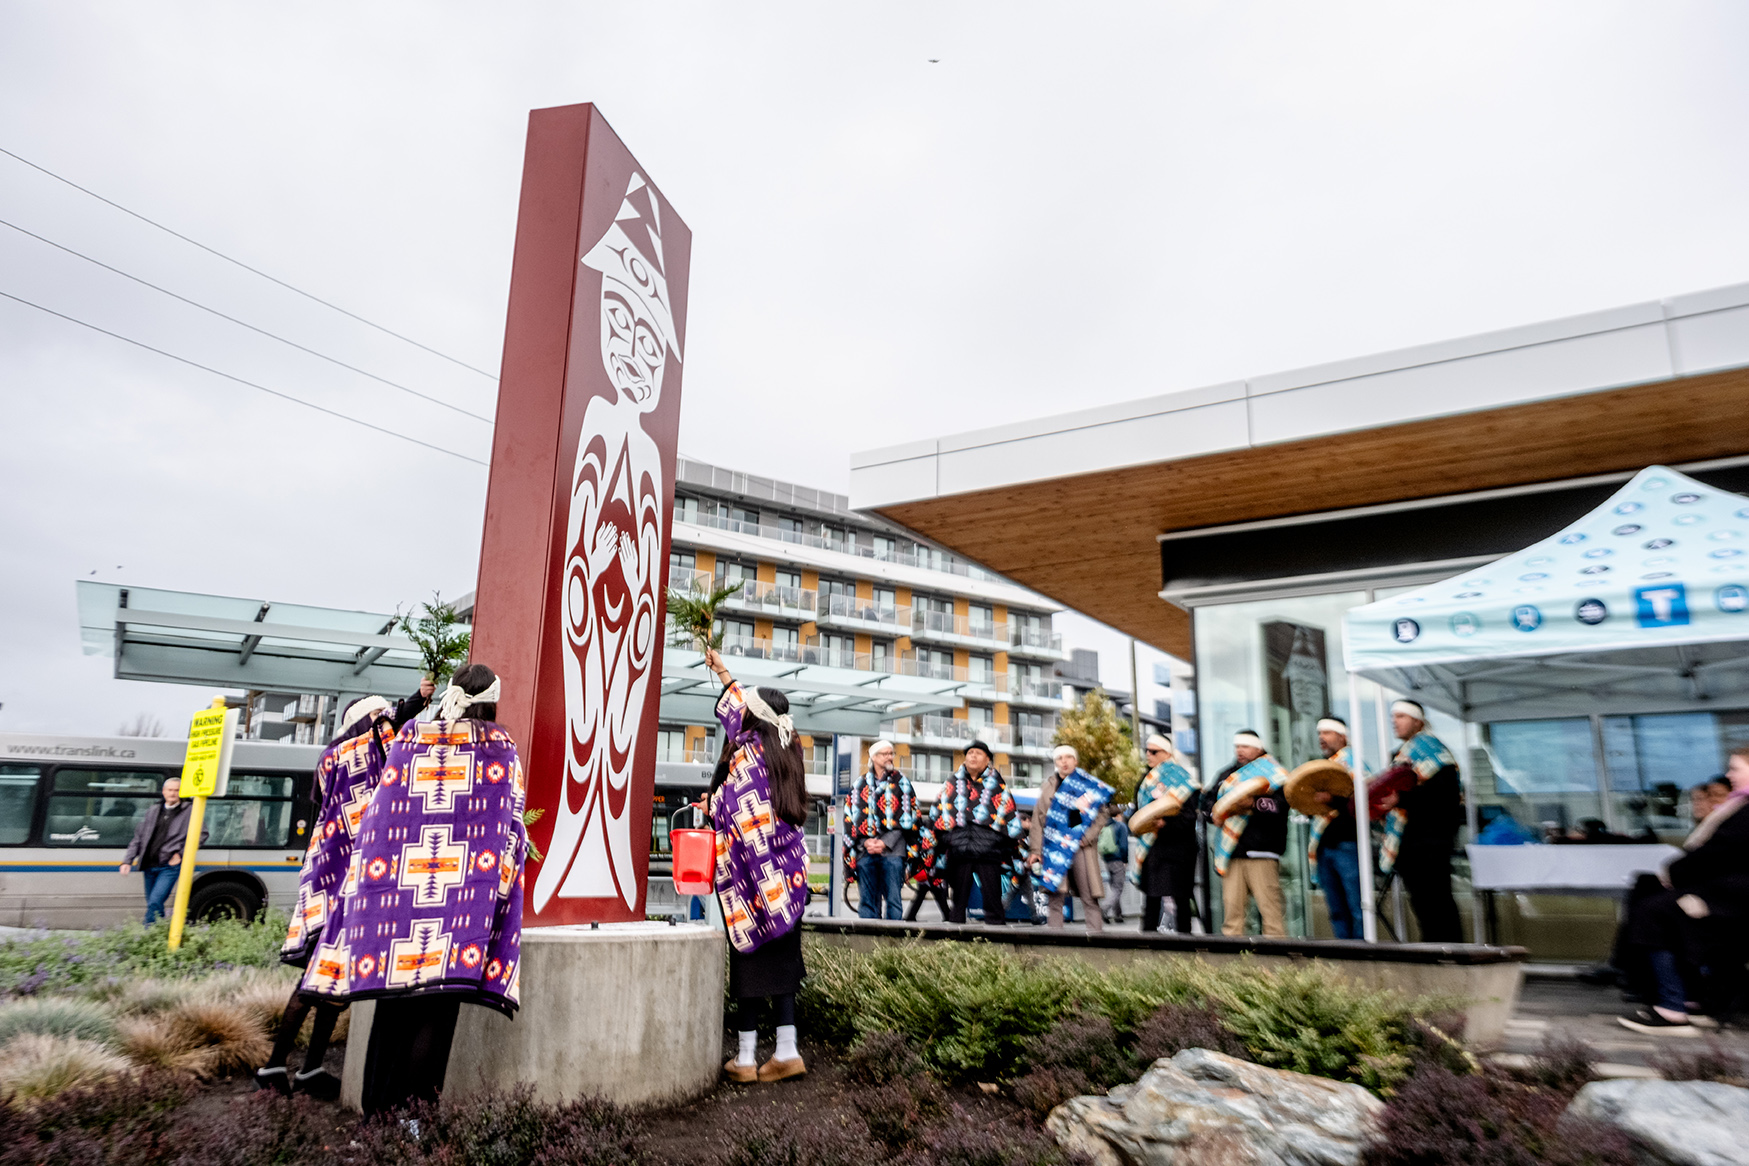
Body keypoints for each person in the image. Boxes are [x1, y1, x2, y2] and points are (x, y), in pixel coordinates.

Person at [300, 663, 528, 1115]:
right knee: (435, 1020)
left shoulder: (409, 743)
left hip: (398, 915)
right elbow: (510, 834)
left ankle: (376, 1116)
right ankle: (414, 1121)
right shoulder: (500, 751)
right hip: (459, 916)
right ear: (491, 703)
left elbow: (379, 822)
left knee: (391, 1014)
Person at [259, 681, 432, 1098]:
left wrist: (417, 700)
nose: (386, 722)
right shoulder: (356, 752)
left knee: (334, 980)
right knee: (316, 982)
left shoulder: (333, 758)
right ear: (367, 723)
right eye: (379, 717)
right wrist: (417, 702)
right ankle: (273, 1067)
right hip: (338, 880)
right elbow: (392, 730)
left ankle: (309, 1070)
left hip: (330, 874)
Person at [703, 648, 812, 1083]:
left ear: (754, 718)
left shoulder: (748, 757)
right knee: (783, 961)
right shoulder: (787, 745)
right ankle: (787, 1050)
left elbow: (734, 815)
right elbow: (742, 709)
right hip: (788, 875)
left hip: (753, 879)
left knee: (747, 958)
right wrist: (723, 670)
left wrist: (712, 804)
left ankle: (746, 1058)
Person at [1619, 752, 1749, 1036]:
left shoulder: (1744, 811)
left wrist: (1675, 873)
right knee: (1658, 903)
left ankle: (1671, 1006)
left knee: (1653, 911)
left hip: (1734, 900)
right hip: (1729, 894)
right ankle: (1695, 997)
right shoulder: (1740, 806)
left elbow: (1718, 852)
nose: (1728, 775)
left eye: (1735, 768)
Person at [1375, 700, 1465, 943]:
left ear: (1418, 721)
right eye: (1393, 716)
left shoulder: (1434, 752)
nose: (1395, 721)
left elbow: (1444, 797)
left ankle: (1449, 955)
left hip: (1431, 841)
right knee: (1423, 907)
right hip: (1410, 842)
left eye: (1402, 716)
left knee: (1438, 903)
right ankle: (1433, 956)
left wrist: (1402, 798)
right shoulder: (1401, 755)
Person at [1208, 730, 1290, 937]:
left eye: (1245, 746)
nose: (1239, 751)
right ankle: (1235, 963)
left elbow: (1282, 805)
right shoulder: (1226, 776)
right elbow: (1208, 801)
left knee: (1270, 912)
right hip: (1233, 852)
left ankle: (1278, 962)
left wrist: (1253, 804)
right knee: (1232, 914)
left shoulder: (1274, 773)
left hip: (1262, 851)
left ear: (1258, 748)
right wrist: (1213, 815)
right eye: (1237, 746)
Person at [935, 741, 1022, 925]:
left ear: (987, 759)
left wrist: (995, 841)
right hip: (960, 850)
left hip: (989, 852)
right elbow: (938, 816)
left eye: (978, 753)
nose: (973, 756)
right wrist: (951, 839)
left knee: (993, 903)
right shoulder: (951, 783)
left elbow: (1009, 819)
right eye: (970, 753)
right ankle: (955, 946)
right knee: (957, 904)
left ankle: (997, 944)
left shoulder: (998, 786)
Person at [1028, 746, 1113, 932]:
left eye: (1068, 757)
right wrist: (1035, 850)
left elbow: (1102, 813)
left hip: (1081, 846)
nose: (1064, 761)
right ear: (1055, 762)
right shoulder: (1048, 785)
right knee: (1055, 897)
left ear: (1075, 760)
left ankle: (1096, 940)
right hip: (1053, 847)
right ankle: (1055, 943)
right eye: (1059, 758)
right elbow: (1037, 819)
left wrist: (1088, 837)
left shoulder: (1087, 783)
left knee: (1089, 896)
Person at [1130, 734, 1202, 934]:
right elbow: (1137, 814)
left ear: (1167, 753)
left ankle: (1185, 945)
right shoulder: (1146, 781)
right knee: (1151, 899)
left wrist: (1165, 823)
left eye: (1154, 751)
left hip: (1179, 849)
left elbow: (1189, 817)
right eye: (1147, 750)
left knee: (1181, 899)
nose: (1148, 755)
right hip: (1153, 848)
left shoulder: (1184, 780)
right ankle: (1148, 943)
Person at [1306, 717, 1366, 940]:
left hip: (1348, 844)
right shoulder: (1322, 768)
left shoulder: (1353, 763)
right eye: (1320, 733)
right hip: (1325, 846)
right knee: (1337, 909)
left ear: (1342, 736)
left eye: (1328, 733)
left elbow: (1363, 798)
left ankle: (1362, 953)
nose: (1322, 738)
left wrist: (1333, 799)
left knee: (1356, 905)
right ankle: (1344, 953)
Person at [842, 740, 914, 921]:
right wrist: (865, 842)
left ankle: (892, 944)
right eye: (885, 753)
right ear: (874, 757)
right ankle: (867, 944)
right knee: (867, 901)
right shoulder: (859, 785)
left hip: (893, 853)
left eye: (892, 753)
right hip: (865, 852)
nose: (890, 757)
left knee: (893, 900)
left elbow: (909, 818)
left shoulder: (902, 783)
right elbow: (850, 818)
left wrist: (884, 842)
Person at [120, 776, 206, 925]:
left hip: (169, 866)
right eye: (170, 790)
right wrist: (127, 860)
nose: (172, 793)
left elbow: (202, 834)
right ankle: (158, 933)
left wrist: (181, 854)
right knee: (153, 904)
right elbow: (139, 838)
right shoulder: (153, 810)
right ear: (163, 792)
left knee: (155, 901)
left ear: (181, 793)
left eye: (176, 790)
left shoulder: (190, 811)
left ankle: (148, 933)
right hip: (149, 865)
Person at [904, 815, 952, 922]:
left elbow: (914, 852)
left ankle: (910, 916)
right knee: (938, 895)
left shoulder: (916, 833)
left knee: (922, 895)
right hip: (934, 870)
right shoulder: (937, 831)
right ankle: (948, 916)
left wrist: (909, 869)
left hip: (924, 870)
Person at [1098, 810, 1130, 924]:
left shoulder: (1106, 825)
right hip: (1118, 859)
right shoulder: (1120, 826)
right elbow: (1124, 845)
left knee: (1114, 886)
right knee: (1118, 887)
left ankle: (1118, 914)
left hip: (1108, 859)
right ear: (1118, 815)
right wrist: (1125, 860)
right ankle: (1104, 908)